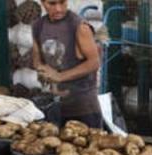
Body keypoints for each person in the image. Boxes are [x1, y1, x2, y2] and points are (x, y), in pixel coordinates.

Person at [32, 0, 102, 128]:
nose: (58, 9)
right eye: (52, 4)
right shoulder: (38, 26)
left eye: (62, 2)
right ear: (42, 2)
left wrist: (60, 76)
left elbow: (94, 62)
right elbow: (37, 59)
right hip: (55, 106)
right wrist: (42, 69)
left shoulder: (79, 27)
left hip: (83, 108)